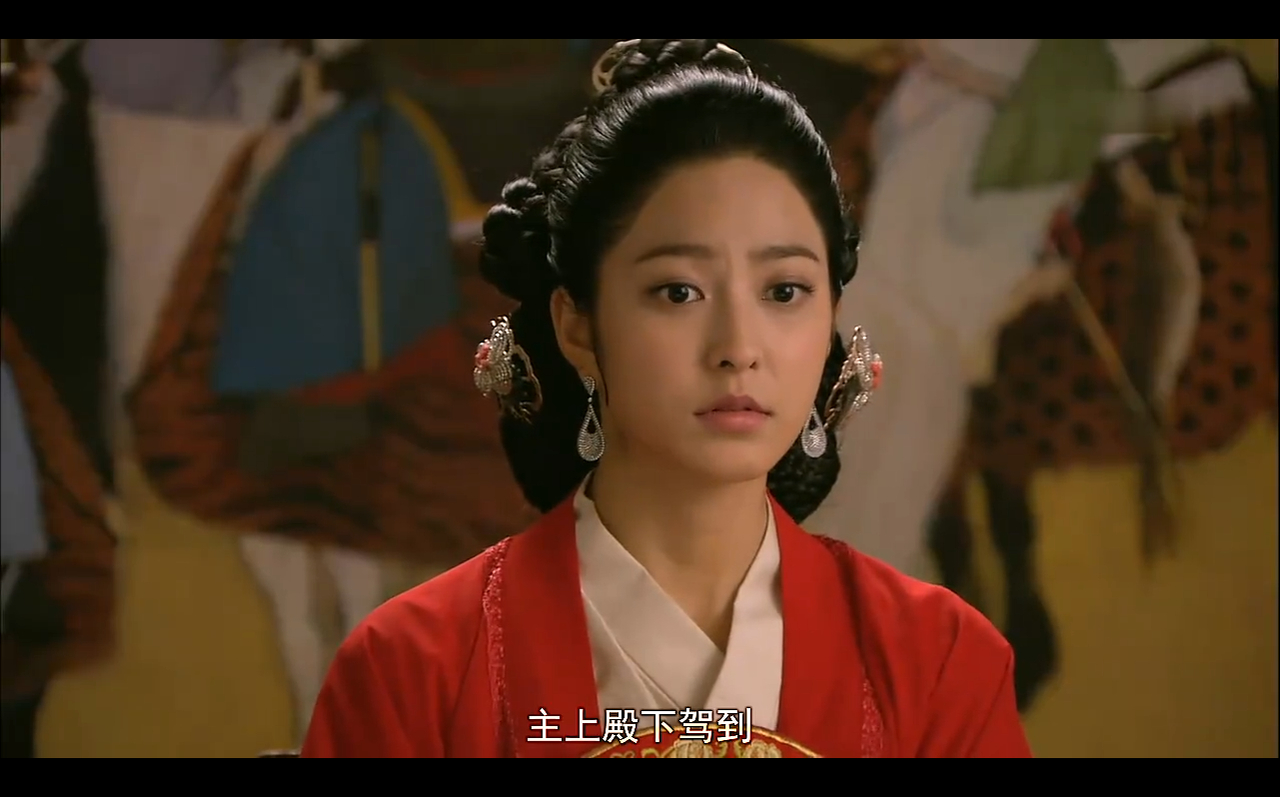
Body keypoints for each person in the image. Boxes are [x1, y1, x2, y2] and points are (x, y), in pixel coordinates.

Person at [301, 38, 1032, 759]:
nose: (739, 346)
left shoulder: (937, 658)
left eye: (785, 291)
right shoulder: (415, 667)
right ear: (579, 325)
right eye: (678, 291)